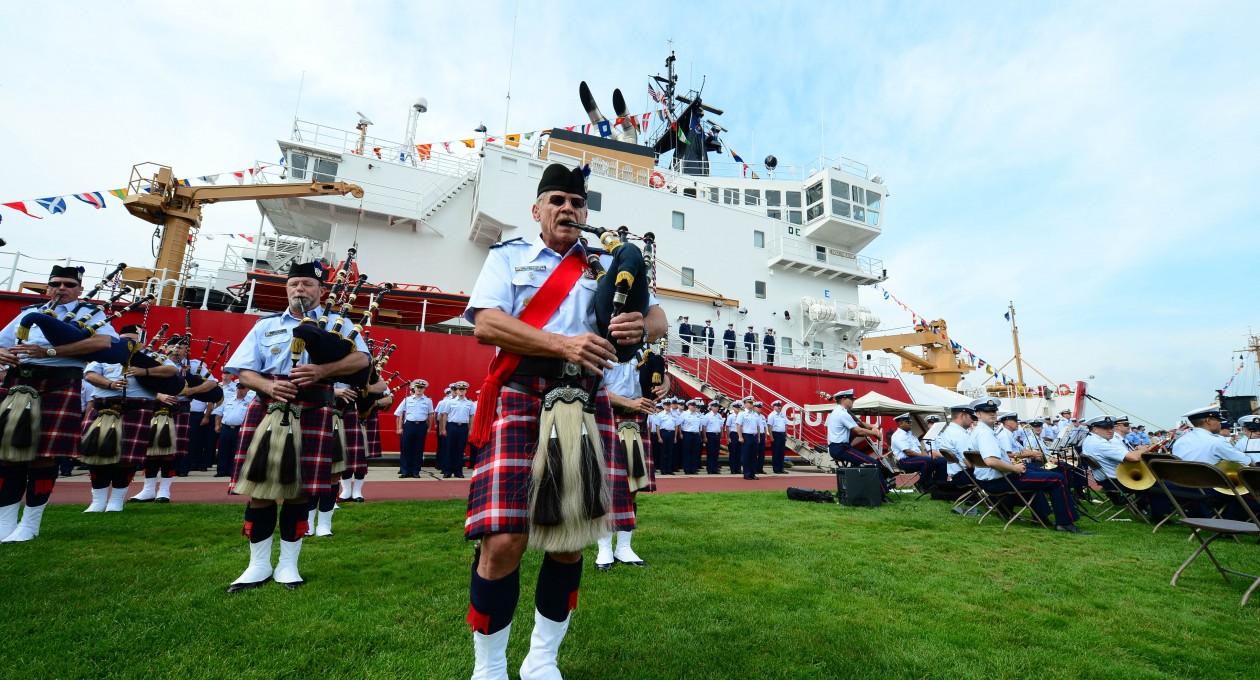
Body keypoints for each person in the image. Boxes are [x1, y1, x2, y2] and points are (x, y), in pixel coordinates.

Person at [461, 163, 667, 679]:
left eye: (576, 203)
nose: (567, 209)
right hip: (522, 392)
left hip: (585, 397)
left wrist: (641, 325)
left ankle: (541, 659)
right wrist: (563, 342)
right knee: (504, 541)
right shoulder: (509, 258)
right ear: (537, 210)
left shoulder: (606, 263)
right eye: (556, 200)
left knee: (571, 539)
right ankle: (488, 667)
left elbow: (661, 318)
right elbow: (486, 323)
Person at [222, 260, 370, 593]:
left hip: (315, 410)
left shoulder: (340, 324)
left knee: (298, 493)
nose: (299, 289)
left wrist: (322, 371)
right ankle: (257, 566)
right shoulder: (265, 325)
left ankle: (288, 565)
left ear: (321, 290)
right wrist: (268, 386)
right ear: (286, 289)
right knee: (259, 491)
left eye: (306, 283)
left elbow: (363, 361)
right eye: (294, 284)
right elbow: (243, 371)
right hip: (269, 409)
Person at [0, 264, 118, 542]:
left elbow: (105, 344)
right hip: (19, 382)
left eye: (68, 284)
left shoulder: (92, 314)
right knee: (7, 455)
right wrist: (3, 354)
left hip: (59, 381)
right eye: (55, 283)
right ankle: (5, 523)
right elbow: (1, 343)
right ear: (48, 287)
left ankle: (30, 524)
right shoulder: (28, 313)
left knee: (43, 456)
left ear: (79, 289)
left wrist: (49, 350)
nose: (61, 288)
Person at [80, 324, 176, 513]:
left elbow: (171, 371)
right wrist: (110, 383)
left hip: (136, 409)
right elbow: (90, 375)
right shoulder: (106, 355)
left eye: (133, 340)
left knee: (127, 458)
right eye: (124, 339)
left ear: (141, 343)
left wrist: (145, 371)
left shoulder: (153, 358)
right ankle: (97, 501)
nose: (128, 343)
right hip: (104, 407)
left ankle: (116, 500)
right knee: (97, 455)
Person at [969, 398, 1087, 534]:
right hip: (999, 480)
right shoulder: (985, 433)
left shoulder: (983, 431)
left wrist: (1014, 465)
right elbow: (991, 461)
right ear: (977, 414)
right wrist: (1014, 468)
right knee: (1057, 479)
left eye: (993, 411)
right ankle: (1065, 523)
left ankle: (1042, 517)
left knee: (1041, 473)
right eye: (986, 411)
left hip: (992, 479)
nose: (992, 414)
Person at [825, 389, 885, 492]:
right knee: (873, 463)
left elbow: (858, 423)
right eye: (851, 399)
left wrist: (872, 427)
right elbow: (858, 431)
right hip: (841, 448)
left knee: (862, 465)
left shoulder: (841, 412)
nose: (853, 401)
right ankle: (882, 493)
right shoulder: (842, 414)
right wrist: (875, 433)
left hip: (839, 447)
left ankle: (863, 490)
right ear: (844, 400)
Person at [890, 413, 946, 487]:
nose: (910, 424)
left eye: (910, 422)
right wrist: (928, 457)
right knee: (928, 461)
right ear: (900, 424)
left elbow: (921, 448)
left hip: (916, 458)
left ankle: (938, 484)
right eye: (908, 422)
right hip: (904, 461)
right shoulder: (898, 435)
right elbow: (908, 452)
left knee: (942, 461)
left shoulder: (911, 434)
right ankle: (921, 484)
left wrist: (928, 456)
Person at [212, 382, 253, 477]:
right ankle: (221, 471)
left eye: (242, 388)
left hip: (240, 428)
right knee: (223, 450)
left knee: (237, 450)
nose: (240, 390)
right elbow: (219, 413)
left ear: (247, 389)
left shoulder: (250, 401)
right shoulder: (228, 399)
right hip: (226, 428)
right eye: (238, 388)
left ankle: (234, 471)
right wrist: (217, 425)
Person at [394, 380, 434, 478]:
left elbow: (430, 415)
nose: (419, 389)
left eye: (421, 387)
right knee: (406, 449)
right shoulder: (407, 400)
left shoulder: (428, 401)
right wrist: (399, 428)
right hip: (409, 426)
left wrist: (429, 428)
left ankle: (415, 471)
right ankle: (405, 471)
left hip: (421, 426)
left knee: (418, 449)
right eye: (418, 387)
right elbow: (399, 413)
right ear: (414, 388)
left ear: (424, 389)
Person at [441, 381, 475, 477]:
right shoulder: (450, 402)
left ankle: (458, 471)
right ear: (456, 390)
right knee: (449, 449)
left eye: (463, 389)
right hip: (452, 426)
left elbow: (471, 417)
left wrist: (470, 429)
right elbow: (445, 415)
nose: (461, 391)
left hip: (463, 427)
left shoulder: (470, 403)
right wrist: (443, 428)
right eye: (459, 389)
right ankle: (448, 471)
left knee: (460, 450)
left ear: (465, 391)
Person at [679, 398, 703, 474]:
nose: (694, 407)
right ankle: (687, 469)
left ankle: (693, 469)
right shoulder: (684, 414)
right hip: (687, 434)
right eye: (693, 405)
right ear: (688, 406)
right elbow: (679, 424)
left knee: (695, 452)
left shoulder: (698, 414)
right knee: (687, 452)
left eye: (695, 406)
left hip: (696, 434)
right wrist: (680, 433)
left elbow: (700, 426)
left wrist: (699, 434)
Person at [766, 400, 789, 474]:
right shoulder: (771, 415)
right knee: (776, 452)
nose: (779, 407)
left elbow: (785, 425)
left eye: (780, 406)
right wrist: (771, 437)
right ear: (774, 407)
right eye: (777, 406)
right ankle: (776, 469)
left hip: (782, 435)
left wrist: (785, 435)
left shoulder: (782, 415)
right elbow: (770, 426)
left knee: (782, 452)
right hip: (776, 434)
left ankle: (781, 468)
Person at [702, 401, 725, 474]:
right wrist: (705, 437)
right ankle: (710, 469)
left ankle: (715, 468)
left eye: (717, 406)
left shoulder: (719, 415)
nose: (717, 408)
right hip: (710, 435)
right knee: (710, 452)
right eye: (715, 406)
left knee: (716, 452)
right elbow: (704, 427)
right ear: (711, 407)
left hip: (717, 435)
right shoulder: (707, 416)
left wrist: (721, 434)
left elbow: (721, 426)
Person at [724, 401, 743, 475]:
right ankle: (733, 469)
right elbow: (727, 427)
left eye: (738, 407)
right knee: (733, 453)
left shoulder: (742, 415)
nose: (738, 409)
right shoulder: (731, 416)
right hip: (734, 434)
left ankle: (738, 468)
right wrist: (728, 437)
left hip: (740, 434)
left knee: (739, 453)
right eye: (736, 407)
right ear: (733, 408)